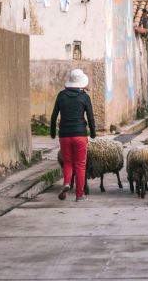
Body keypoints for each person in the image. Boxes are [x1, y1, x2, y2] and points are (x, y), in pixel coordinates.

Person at [51, 68, 96, 202]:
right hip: (80, 135)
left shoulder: (61, 95)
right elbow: (91, 117)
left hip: (64, 135)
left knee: (68, 163)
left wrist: (53, 132)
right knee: (80, 164)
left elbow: (54, 116)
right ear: (82, 83)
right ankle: (79, 195)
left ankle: (66, 183)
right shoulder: (85, 97)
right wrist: (93, 133)